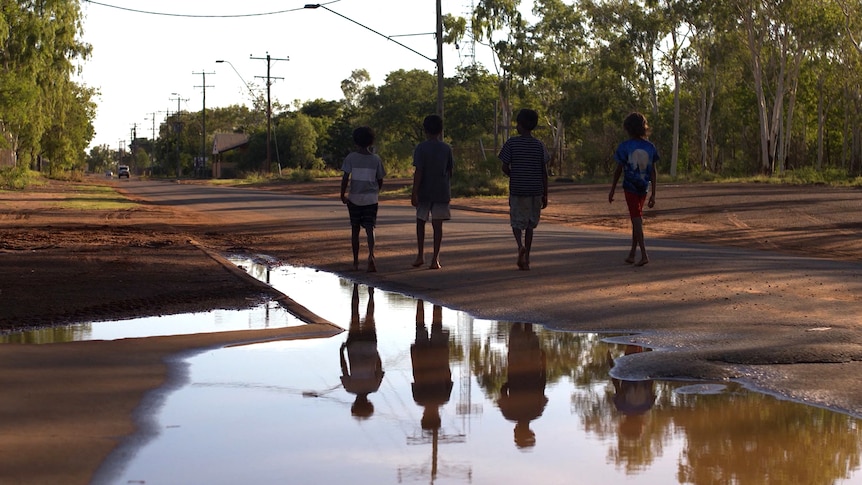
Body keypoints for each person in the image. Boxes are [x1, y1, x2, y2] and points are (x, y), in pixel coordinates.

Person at [499, 109, 549, 270]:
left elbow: (504, 166)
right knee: (529, 225)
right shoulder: (539, 145)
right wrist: (545, 193)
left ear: (520, 125)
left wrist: (513, 175)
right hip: (535, 189)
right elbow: (544, 172)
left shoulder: (512, 143)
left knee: (516, 222)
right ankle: (526, 258)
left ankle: (519, 245)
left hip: (518, 188)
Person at [608, 112, 658, 266]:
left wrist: (612, 189)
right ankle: (632, 253)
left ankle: (643, 254)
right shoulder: (650, 147)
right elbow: (653, 172)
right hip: (644, 188)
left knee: (636, 219)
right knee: (636, 218)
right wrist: (653, 193)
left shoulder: (624, 147)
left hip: (630, 187)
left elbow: (618, 170)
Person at [411, 114, 454, 270]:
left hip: (424, 190)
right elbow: (450, 171)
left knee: (420, 222)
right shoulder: (446, 148)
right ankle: (435, 258)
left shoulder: (421, 148)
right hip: (441, 191)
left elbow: (419, 171)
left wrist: (414, 192)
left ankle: (420, 254)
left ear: (425, 130)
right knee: (438, 225)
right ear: (441, 130)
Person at [341, 126, 386, 272]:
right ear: (371, 142)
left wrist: (343, 194)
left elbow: (345, 178)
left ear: (355, 141)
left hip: (354, 199)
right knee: (370, 228)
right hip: (371, 199)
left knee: (355, 230)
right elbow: (380, 179)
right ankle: (371, 256)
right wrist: (375, 192)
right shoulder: (376, 159)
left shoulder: (351, 158)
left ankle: (355, 262)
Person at [339, 284, 384, 419]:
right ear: (354, 405)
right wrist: (342, 351)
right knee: (354, 314)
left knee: (370, 317)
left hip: (370, 346)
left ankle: (371, 294)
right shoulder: (349, 388)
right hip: (353, 347)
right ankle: (355, 287)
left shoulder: (374, 386)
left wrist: (376, 351)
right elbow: (344, 367)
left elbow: (379, 368)